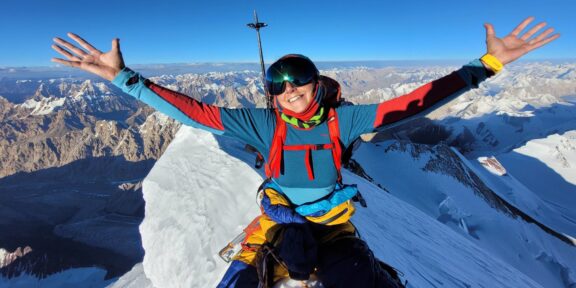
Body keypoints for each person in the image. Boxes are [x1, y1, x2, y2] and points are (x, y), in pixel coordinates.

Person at [52, 17, 558, 288]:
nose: (291, 89)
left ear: (317, 84)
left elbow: (414, 102)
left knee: (354, 278)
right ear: (271, 95)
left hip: (334, 221)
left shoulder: (345, 120)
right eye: (280, 83)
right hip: (277, 218)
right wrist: (122, 76)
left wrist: (488, 63)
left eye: (300, 80)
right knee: (253, 277)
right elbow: (193, 111)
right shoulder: (262, 124)